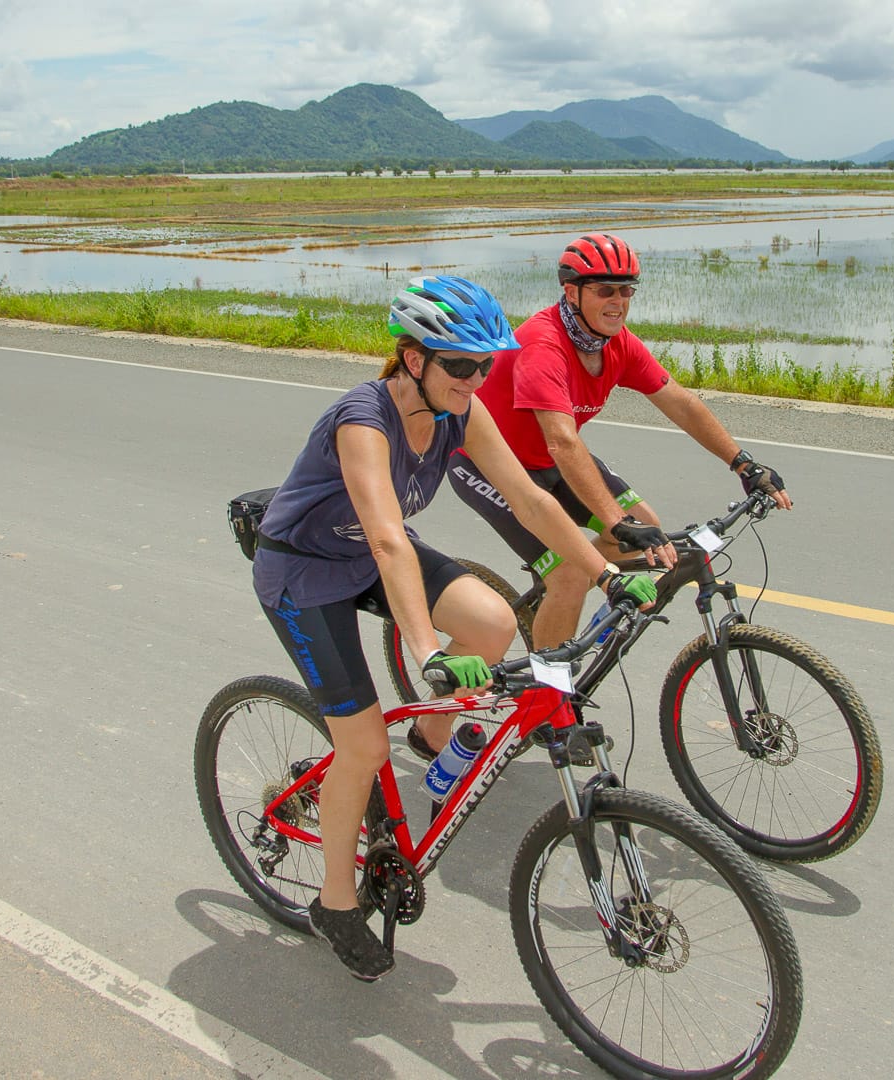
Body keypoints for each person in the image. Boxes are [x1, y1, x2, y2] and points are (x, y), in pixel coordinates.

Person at [251, 275, 655, 982]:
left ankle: (432, 736)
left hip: (366, 555)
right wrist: (426, 650)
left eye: (485, 366)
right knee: (362, 743)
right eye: (462, 366)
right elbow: (387, 538)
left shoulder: (459, 414)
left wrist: (603, 572)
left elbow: (530, 500)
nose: (477, 379)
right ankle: (335, 902)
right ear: (415, 361)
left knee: (496, 621)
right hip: (305, 572)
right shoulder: (362, 417)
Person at [448, 232, 793, 650]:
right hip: (489, 463)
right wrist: (614, 522)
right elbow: (561, 440)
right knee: (572, 573)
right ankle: (546, 700)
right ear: (571, 292)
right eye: (605, 290)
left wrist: (743, 463)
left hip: (552, 461)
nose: (619, 301)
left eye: (626, 290)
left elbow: (680, 403)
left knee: (644, 526)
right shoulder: (544, 345)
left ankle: (561, 609)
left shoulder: (616, 344)